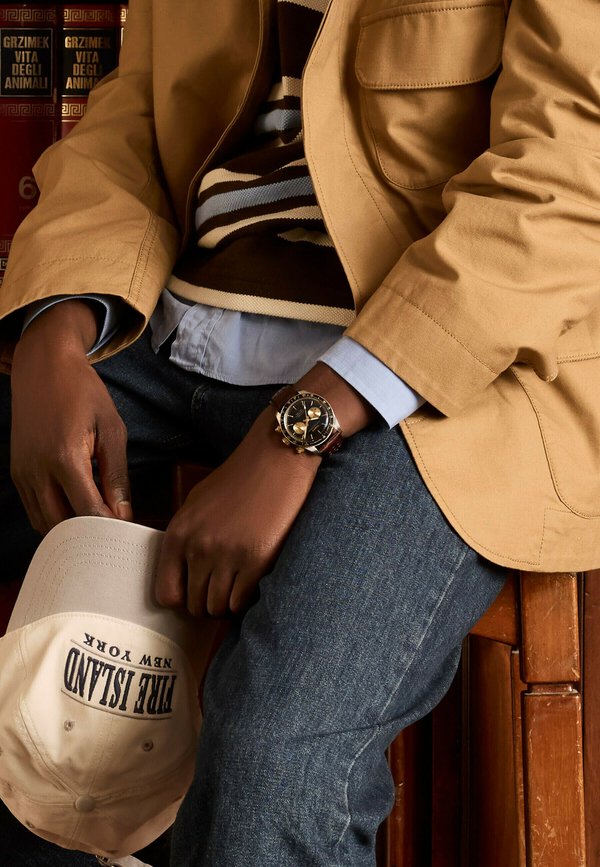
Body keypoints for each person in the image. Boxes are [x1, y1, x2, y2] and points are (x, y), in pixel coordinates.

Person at [1, 0, 599, 864]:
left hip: (444, 368)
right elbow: (133, 115)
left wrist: (297, 430)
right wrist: (54, 326)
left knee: (270, 767)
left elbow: (567, 183)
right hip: (175, 320)